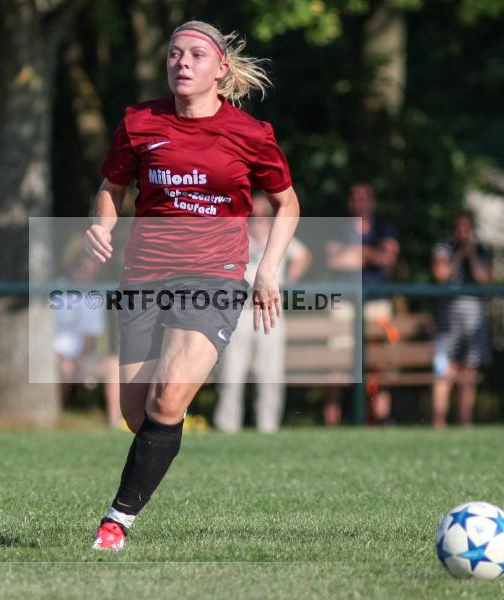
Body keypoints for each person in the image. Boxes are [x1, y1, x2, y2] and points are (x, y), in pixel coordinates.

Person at [84, 20, 300, 551]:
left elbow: (288, 203)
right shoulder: (139, 122)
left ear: (220, 69)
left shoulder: (250, 134)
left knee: (168, 396)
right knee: (140, 414)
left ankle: (116, 522)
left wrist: (268, 268)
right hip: (143, 276)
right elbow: (111, 188)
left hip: (216, 275)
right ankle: (162, 439)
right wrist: (101, 223)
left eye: (196, 55)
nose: (182, 62)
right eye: (174, 54)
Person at [214, 192, 311, 432]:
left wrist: (287, 280)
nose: (259, 219)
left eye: (265, 215)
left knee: (270, 374)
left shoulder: (278, 237)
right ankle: (227, 427)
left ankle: (268, 427)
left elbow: (303, 256)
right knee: (231, 374)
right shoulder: (236, 236)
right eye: (253, 214)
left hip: (270, 312)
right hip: (239, 313)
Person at [325, 183, 399, 425]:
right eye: (355, 197)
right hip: (344, 305)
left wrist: (356, 254)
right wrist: (370, 254)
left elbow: (387, 258)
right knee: (337, 365)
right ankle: (331, 423)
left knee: (379, 365)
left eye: (365, 197)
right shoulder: (338, 230)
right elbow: (335, 261)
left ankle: (379, 421)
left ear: (373, 201)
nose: (360, 202)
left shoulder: (384, 229)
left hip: (376, 304)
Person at [431, 210, 492, 427]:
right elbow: (441, 275)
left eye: (466, 227)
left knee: (469, 368)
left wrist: (472, 254)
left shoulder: (482, 250)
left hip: (474, 315)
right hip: (447, 315)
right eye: (459, 227)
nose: (462, 232)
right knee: (445, 368)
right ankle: (439, 422)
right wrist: (459, 255)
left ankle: (465, 422)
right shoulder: (444, 248)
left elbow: (485, 280)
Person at [53, 246, 121, 428]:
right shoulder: (57, 290)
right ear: (74, 269)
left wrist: (80, 360)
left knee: (113, 365)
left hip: (80, 357)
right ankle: (54, 417)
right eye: (84, 270)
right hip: (55, 356)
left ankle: (115, 422)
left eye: (93, 272)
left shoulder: (93, 298)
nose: (88, 276)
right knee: (63, 367)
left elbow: (89, 340)